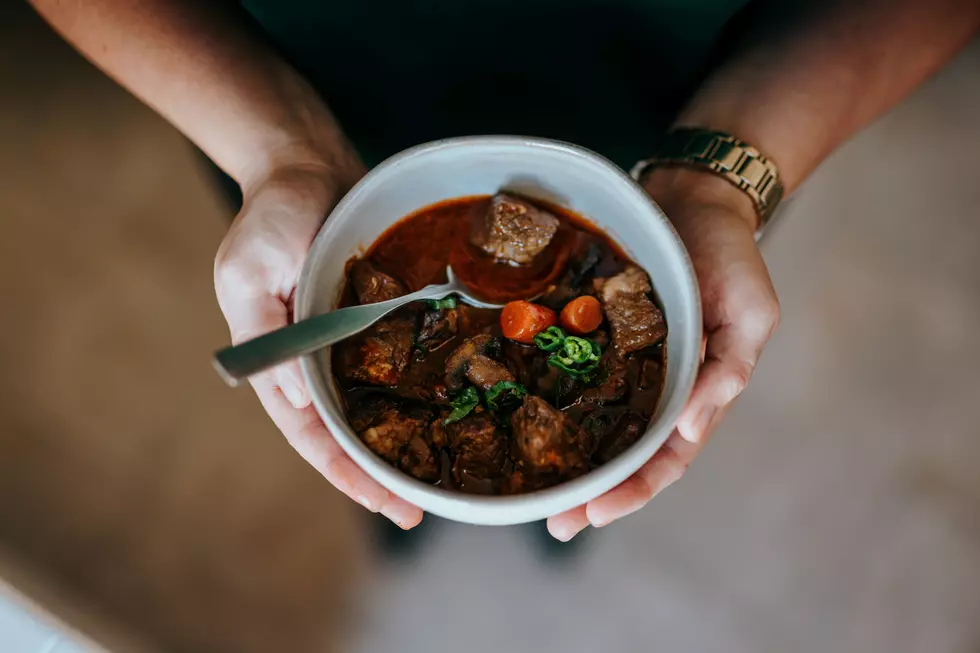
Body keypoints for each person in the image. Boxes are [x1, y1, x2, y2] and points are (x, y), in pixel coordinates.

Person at [30, 0, 980, 543]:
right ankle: (411, 531)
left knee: (578, 493)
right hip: (296, 91)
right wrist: (277, 149)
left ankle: (538, 533)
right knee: (380, 483)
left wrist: (728, 176)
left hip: (676, 120)